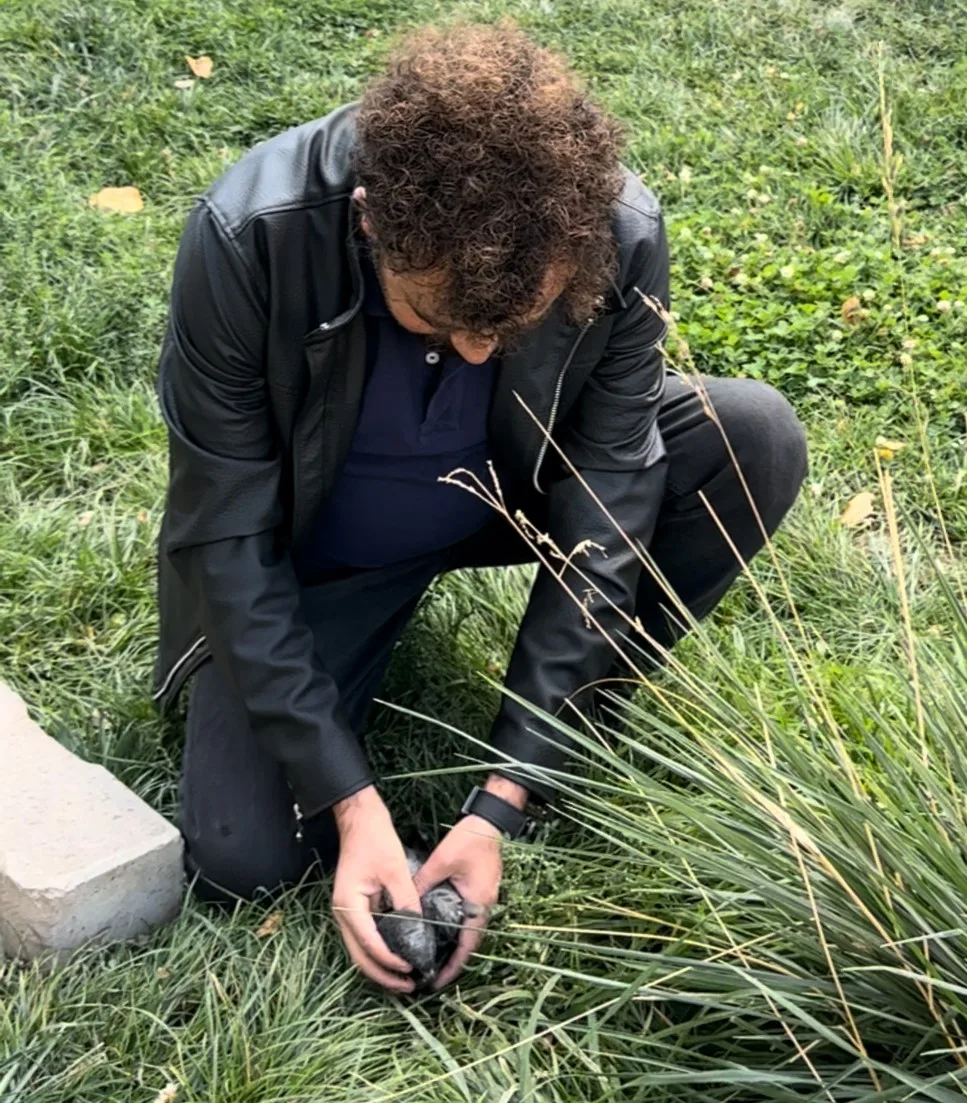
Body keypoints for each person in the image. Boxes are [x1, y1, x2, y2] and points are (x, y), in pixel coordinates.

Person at [151, 19, 807, 995]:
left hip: (510, 487)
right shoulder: (250, 236)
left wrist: (503, 798)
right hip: (320, 554)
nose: (474, 353)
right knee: (244, 854)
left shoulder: (613, 231)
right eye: (440, 317)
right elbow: (231, 536)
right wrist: (353, 804)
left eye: (510, 326)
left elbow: (610, 498)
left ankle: (568, 726)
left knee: (753, 435)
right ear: (372, 219)